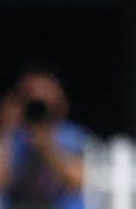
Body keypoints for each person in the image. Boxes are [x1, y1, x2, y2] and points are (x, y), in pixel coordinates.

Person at [0, 68, 86, 209]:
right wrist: (6, 130)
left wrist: (47, 146)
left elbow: (78, 181)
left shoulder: (72, 135)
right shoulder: (10, 137)